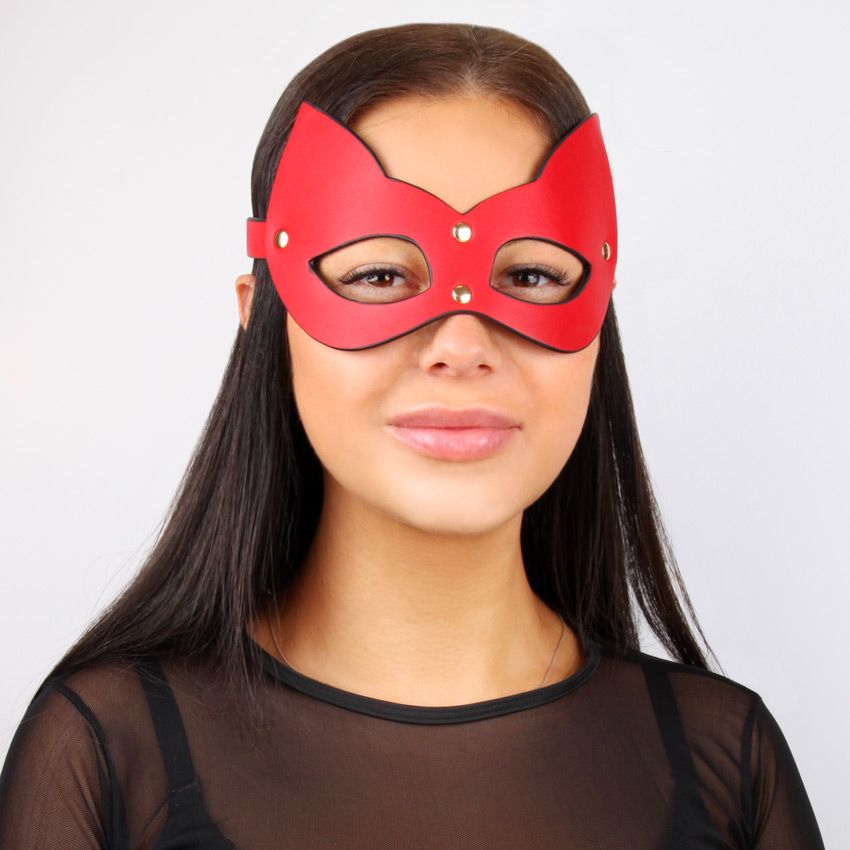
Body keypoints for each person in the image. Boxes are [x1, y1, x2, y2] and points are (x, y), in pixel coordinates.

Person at [0, 22, 824, 850]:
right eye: (379, 275)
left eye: (531, 275)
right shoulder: (108, 757)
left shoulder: (725, 762)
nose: (461, 347)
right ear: (262, 318)